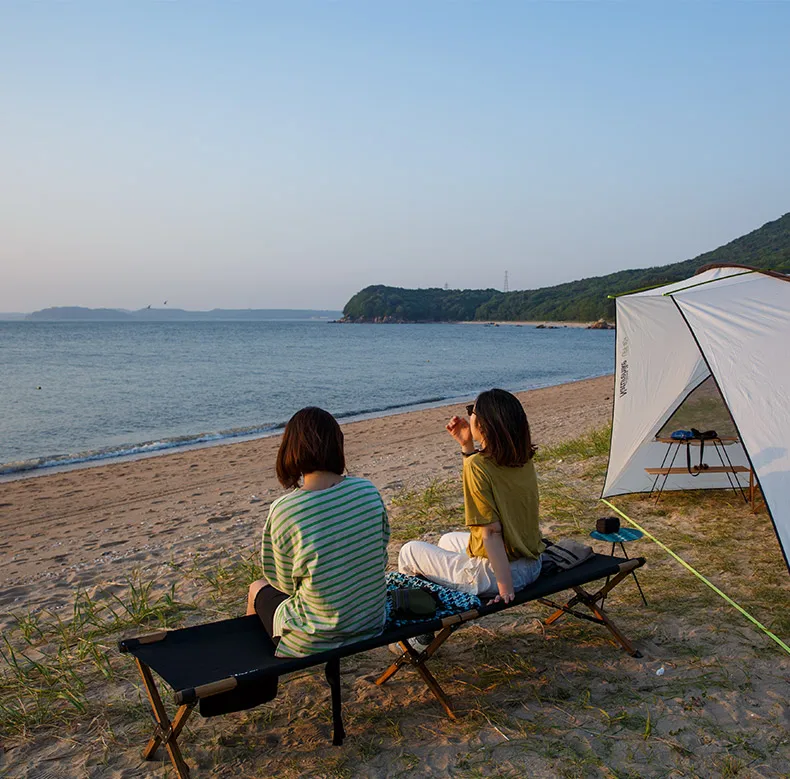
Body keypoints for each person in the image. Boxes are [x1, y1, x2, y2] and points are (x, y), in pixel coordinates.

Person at [246, 407, 390, 658]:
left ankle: (250, 669)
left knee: (256, 588)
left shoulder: (284, 510)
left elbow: (282, 582)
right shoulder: (367, 490)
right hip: (372, 622)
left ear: (290, 449)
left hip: (315, 638)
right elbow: (382, 551)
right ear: (337, 445)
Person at [398, 388, 544, 614]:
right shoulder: (522, 458)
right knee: (447, 540)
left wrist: (505, 590)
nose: (469, 416)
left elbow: (491, 532)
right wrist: (467, 446)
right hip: (532, 564)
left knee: (409, 551)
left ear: (484, 424)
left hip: (503, 575)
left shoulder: (478, 465)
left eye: (471, 411)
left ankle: (417, 629)